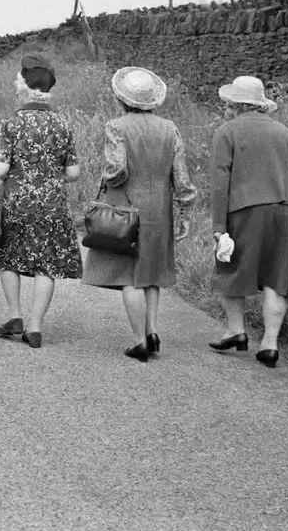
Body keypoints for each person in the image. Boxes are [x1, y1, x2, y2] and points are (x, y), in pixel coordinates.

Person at [82, 67, 197, 363]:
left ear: (122, 98)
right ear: (153, 100)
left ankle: (138, 341)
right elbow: (181, 178)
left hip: (126, 209)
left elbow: (116, 171)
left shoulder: (116, 126)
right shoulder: (170, 128)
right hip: (160, 208)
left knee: (129, 275)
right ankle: (153, 332)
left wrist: (105, 179)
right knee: (153, 273)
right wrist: (185, 211)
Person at [207, 75, 288, 369]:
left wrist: (219, 227)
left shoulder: (226, 132)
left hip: (246, 210)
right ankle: (269, 345)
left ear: (236, 105)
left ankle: (236, 331)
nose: (226, 108)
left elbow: (220, 183)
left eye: (229, 103)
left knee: (230, 267)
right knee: (277, 279)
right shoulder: (286, 133)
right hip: (286, 212)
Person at [0, 54, 81, 348]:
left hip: (17, 202)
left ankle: (15, 315)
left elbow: (0, 169)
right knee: (46, 265)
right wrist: (49, 178)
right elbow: (74, 172)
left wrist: (7, 170)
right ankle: (35, 328)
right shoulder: (62, 124)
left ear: (25, 88)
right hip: (52, 205)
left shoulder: (11, 123)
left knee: (8, 257)